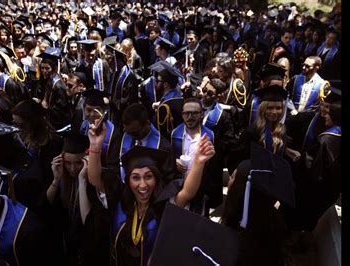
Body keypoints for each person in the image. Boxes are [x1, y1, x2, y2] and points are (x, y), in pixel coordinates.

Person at [86, 120, 215, 266]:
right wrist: (95, 146)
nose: (143, 185)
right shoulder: (121, 202)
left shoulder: (163, 206)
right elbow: (95, 180)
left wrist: (198, 161)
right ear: (128, 181)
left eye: (148, 176)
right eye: (135, 177)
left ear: (156, 179)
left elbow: (187, 193)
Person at [281, 87, 341, 245]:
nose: (324, 112)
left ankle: (294, 241)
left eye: (328, 110)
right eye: (324, 106)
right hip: (329, 188)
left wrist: (297, 161)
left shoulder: (327, 139)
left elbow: (311, 168)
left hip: (311, 186)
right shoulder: (309, 118)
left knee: (299, 214)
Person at [221, 142, 295, 266]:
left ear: (242, 190)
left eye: (233, 177)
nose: (229, 180)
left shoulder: (237, 244)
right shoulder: (275, 222)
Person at [40, 132, 91, 265]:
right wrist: (56, 179)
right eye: (68, 163)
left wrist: (82, 180)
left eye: (78, 163)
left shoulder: (93, 183)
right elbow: (45, 206)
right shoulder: (62, 176)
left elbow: (89, 222)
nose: (72, 169)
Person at [171, 97, 223, 216]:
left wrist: (209, 193)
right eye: (186, 113)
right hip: (178, 189)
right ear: (182, 115)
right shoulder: (173, 135)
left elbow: (216, 169)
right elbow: (165, 161)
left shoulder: (211, 137)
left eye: (194, 113)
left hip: (201, 190)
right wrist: (173, 163)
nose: (190, 117)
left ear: (202, 114)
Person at [11, 99, 63, 186]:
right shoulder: (18, 137)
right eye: (14, 123)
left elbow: (48, 175)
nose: (16, 128)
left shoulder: (51, 142)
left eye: (20, 125)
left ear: (33, 123)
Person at [36, 47, 71, 129]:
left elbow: (61, 110)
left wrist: (44, 106)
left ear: (54, 68)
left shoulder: (58, 85)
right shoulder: (47, 81)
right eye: (42, 68)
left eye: (47, 68)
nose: (44, 71)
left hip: (57, 125)